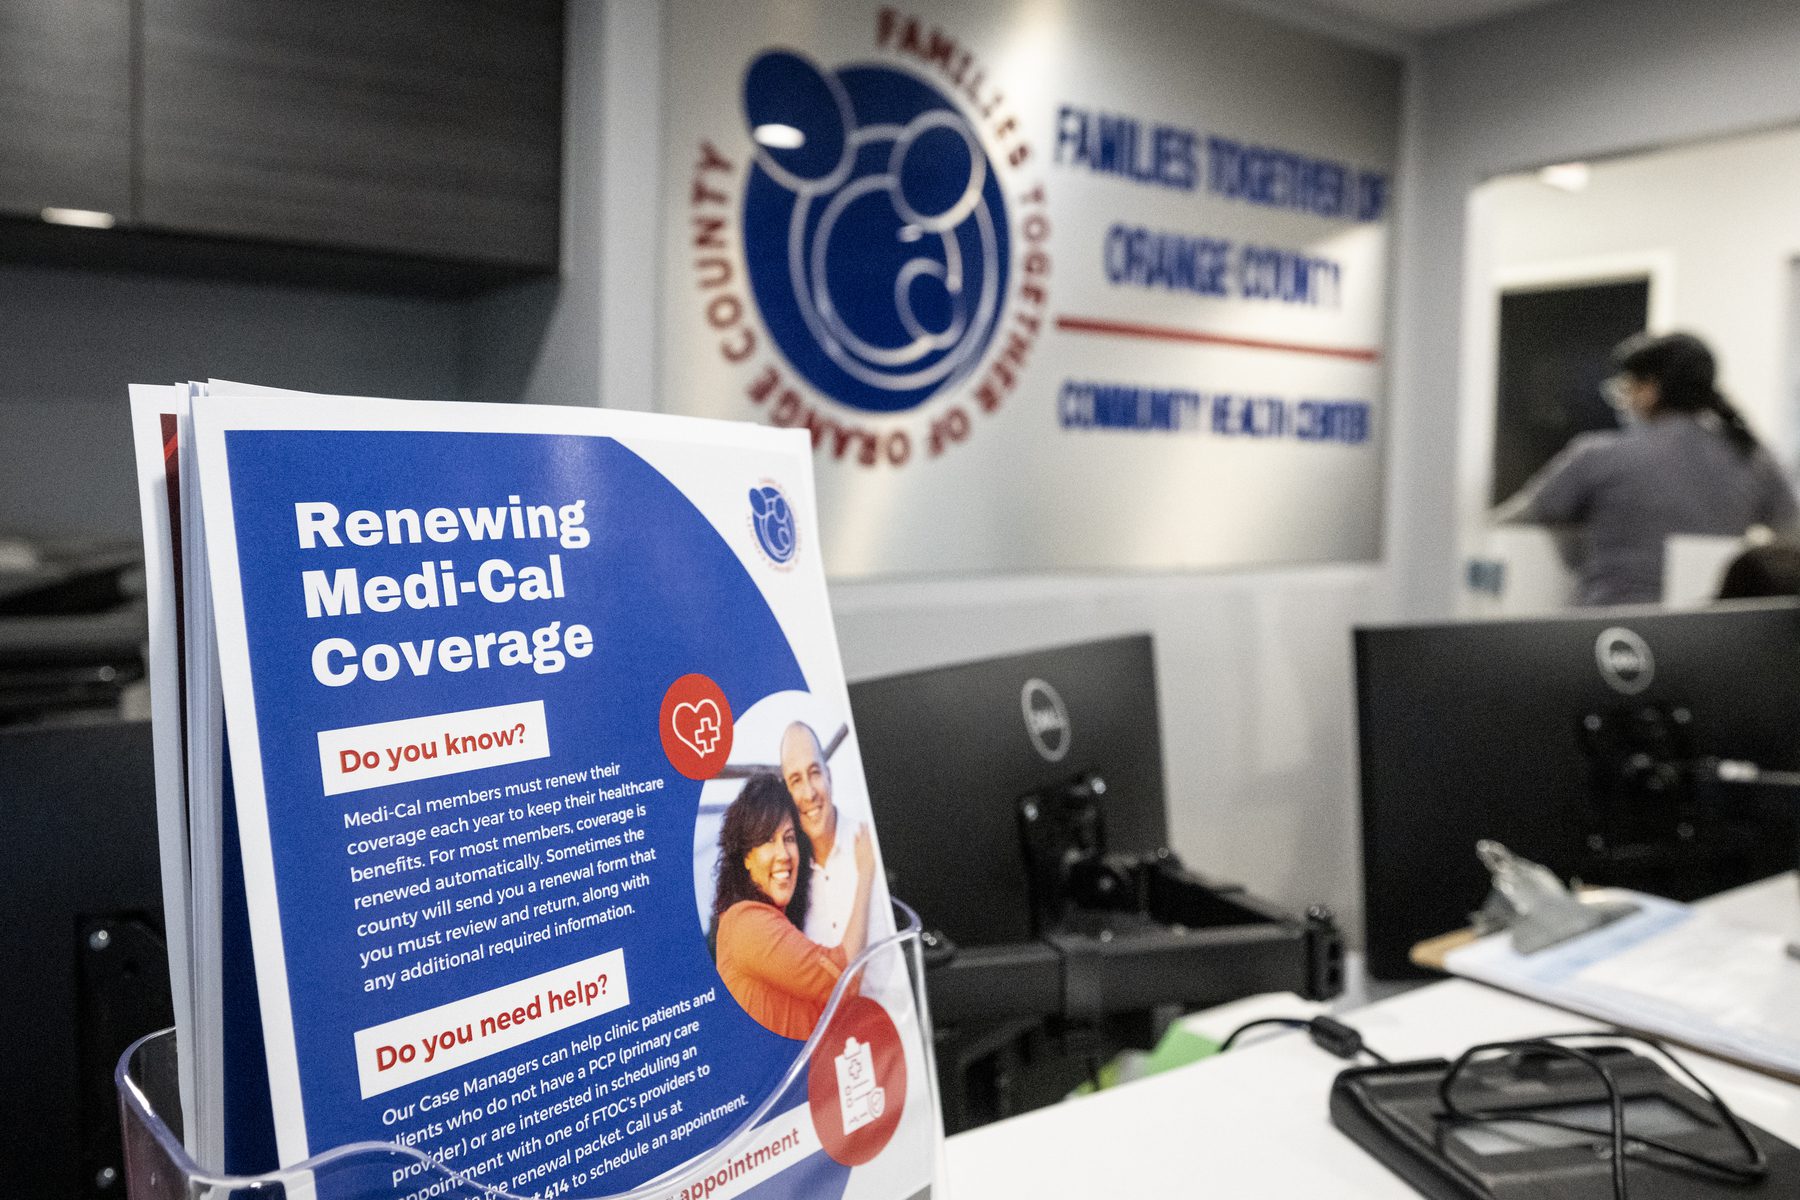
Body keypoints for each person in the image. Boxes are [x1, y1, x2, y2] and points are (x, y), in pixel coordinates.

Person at [1497, 331, 1798, 606]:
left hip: (1610, 635)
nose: (1622, 400)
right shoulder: (1753, 457)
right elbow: (1791, 534)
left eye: (1625, 388)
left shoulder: (1600, 454)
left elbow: (1515, 519)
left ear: (1649, 389)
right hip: (1704, 629)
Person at [709, 773, 875, 1039]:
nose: (784, 855)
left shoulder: (765, 923)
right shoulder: (747, 924)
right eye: (766, 841)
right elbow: (844, 979)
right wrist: (867, 872)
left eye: (788, 838)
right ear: (745, 859)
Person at [779, 721, 873, 946]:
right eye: (796, 780)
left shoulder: (870, 843)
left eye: (814, 773)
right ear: (787, 792)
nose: (809, 793)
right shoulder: (789, 879)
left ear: (829, 776)